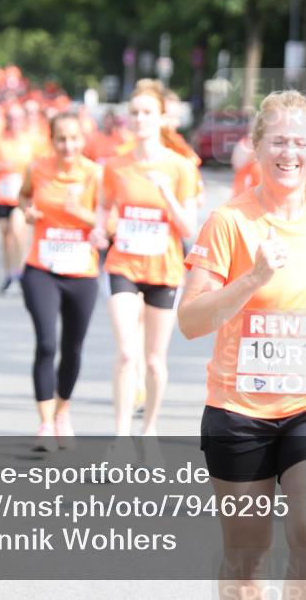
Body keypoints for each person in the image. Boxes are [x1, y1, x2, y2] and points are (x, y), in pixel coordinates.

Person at [178, 91, 306, 598]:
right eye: (280, 141)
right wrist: (252, 278)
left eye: (301, 143)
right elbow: (190, 321)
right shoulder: (230, 221)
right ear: (256, 145)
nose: (290, 153)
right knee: (247, 562)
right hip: (239, 410)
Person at [89, 80, 199, 443]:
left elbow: (188, 228)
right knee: (126, 353)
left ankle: (149, 428)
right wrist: (99, 229)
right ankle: (120, 437)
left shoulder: (181, 167)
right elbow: (105, 207)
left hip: (164, 270)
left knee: (153, 360)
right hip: (123, 265)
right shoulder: (116, 166)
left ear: (162, 118)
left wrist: (165, 191)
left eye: (147, 113)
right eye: (134, 113)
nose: (139, 119)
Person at [19, 112, 102, 452]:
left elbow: (108, 223)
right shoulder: (37, 169)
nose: (68, 146)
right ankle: (44, 423)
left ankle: (62, 412)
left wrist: (80, 213)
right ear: (51, 140)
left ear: (83, 140)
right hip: (42, 268)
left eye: (74, 138)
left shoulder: (96, 174)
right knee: (46, 344)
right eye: (61, 139)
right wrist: (27, 210)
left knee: (72, 348)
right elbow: (24, 196)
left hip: (81, 273)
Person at [0, 103, 37, 293]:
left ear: (23, 120)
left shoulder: (30, 141)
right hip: (1, 195)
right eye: (11, 118)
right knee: (5, 236)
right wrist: (0, 166)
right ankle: (9, 274)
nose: (14, 122)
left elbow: (38, 165)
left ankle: (20, 271)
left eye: (17, 118)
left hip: (21, 196)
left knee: (18, 231)